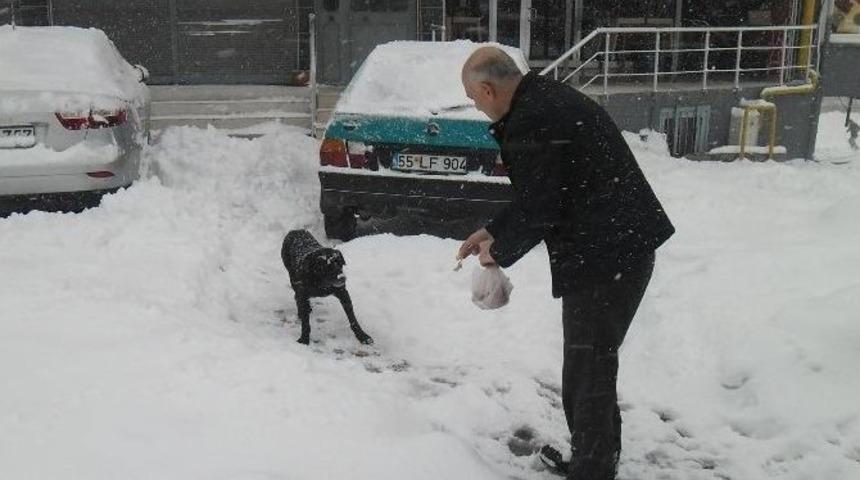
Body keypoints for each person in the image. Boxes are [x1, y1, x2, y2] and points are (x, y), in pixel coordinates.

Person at [458, 46, 675, 480]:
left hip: (608, 256)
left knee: (587, 369)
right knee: (591, 363)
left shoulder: (532, 118)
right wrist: (493, 230)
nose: (476, 106)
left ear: (487, 88)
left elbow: (542, 204)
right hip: (615, 248)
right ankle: (596, 458)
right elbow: (547, 189)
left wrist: (498, 253)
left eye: (474, 98)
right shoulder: (542, 99)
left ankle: (592, 470)